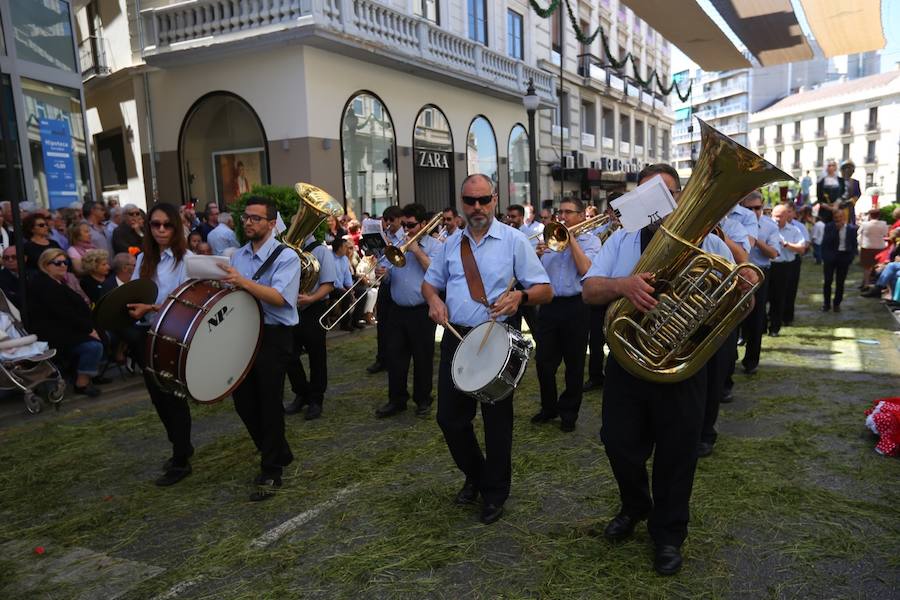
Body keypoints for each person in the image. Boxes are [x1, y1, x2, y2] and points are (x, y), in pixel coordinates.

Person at [581, 163, 749, 576]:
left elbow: (739, 307)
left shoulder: (712, 243)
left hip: (682, 367)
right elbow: (589, 289)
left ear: (682, 197)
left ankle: (669, 535)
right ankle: (635, 505)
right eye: (645, 195)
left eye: (665, 194)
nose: (654, 204)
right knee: (617, 442)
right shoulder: (621, 240)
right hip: (627, 362)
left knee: (677, 453)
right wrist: (624, 286)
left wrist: (740, 293)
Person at [422, 173, 552, 525]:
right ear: (461, 202)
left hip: (498, 338)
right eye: (470, 201)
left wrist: (520, 296)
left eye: (483, 200)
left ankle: (495, 492)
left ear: (495, 199)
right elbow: (429, 284)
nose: (477, 208)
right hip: (457, 337)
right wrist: (434, 301)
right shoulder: (450, 243)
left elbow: (545, 289)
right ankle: (477, 476)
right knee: (449, 418)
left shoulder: (514, 240)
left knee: (497, 422)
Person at [219, 195, 302, 501]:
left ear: (271, 223)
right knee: (243, 401)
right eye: (245, 218)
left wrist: (240, 281)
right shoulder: (238, 254)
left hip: (274, 334)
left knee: (268, 401)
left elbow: (280, 297)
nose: (249, 223)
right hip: (243, 331)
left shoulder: (286, 256)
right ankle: (279, 451)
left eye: (255, 218)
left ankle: (271, 470)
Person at [125, 203, 195, 487]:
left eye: (167, 225)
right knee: (158, 398)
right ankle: (181, 447)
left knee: (173, 398)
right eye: (156, 225)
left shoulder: (186, 259)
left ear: (176, 227)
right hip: (147, 334)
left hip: (171, 336)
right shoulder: (144, 259)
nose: (161, 230)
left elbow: (188, 302)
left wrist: (149, 307)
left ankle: (181, 459)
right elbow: (133, 289)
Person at [532, 197, 600, 432]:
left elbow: (587, 271)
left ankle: (569, 413)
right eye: (560, 212)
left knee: (574, 363)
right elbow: (536, 276)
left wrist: (571, 241)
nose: (562, 216)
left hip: (576, 306)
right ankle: (549, 407)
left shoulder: (592, 242)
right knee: (543, 361)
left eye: (568, 212)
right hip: (550, 305)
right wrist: (538, 255)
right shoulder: (549, 238)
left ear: (581, 216)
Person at [376, 203, 441, 418]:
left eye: (411, 225)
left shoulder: (434, 246)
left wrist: (416, 250)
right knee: (395, 357)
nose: (406, 229)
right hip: (397, 310)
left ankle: (423, 400)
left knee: (423, 358)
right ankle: (397, 400)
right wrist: (382, 272)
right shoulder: (396, 242)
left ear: (423, 224)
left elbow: (436, 274)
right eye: (404, 224)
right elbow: (389, 276)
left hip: (421, 311)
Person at [27, 248, 104, 397]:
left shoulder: (56, 282)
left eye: (66, 262)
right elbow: (64, 314)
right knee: (93, 346)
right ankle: (81, 383)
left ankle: (90, 375)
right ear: (45, 265)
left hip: (67, 328)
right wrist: (89, 329)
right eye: (57, 262)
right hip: (53, 333)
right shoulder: (44, 285)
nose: (63, 265)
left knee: (105, 335)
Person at [284, 225, 338, 420]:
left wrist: (311, 298)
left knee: (317, 355)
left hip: (313, 308)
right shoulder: (287, 249)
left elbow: (329, 284)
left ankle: (316, 399)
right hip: (290, 308)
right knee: (288, 354)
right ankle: (301, 392)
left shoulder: (321, 250)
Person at [739, 192, 780, 376]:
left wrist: (756, 241)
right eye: (749, 208)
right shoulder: (736, 223)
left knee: (757, 317)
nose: (754, 212)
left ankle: (751, 361)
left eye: (758, 208)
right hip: (738, 272)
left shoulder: (770, 225)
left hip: (760, 272)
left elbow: (774, 253)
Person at [367, 206, 404, 374]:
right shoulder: (385, 237)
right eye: (386, 220)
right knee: (382, 325)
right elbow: (380, 259)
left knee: (395, 326)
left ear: (400, 219)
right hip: (385, 284)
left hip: (399, 284)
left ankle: (395, 358)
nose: (388, 223)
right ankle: (381, 359)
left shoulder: (404, 238)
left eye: (392, 220)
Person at [768, 204, 806, 336]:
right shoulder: (767, 228)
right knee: (764, 297)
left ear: (787, 216)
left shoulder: (794, 230)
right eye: (775, 216)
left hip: (784, 266)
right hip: (768, 265)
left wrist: (786, 244)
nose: (777, 219)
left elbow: (802, 249)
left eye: (780, 216)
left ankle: (774, 327)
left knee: (779, 298)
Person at [820, 208, 857, 312]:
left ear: (844, 217)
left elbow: (854, 244)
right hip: (830, 257)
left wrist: (851, 257)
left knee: (840, 282)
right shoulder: (829, 227)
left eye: (840, 217)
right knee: (827, 281)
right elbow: (826, 242)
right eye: (836, 218)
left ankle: (837, 303)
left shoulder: (851, 228)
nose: (838, 219)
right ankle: (826, 304)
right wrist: (836, 230)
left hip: (844, 257)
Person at [782, 205, 809, 326]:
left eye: (789, 211)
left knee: (791, 288)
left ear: (794, 212)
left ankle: (788, 316)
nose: (787, 214)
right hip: (778, 261)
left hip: (793, 260)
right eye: (784, 212)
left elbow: (805, 245)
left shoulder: (799, 227)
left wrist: (789, 245)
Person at [858, 209, 889, 288]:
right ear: (879, 215)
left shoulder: (864, 224)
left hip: (867, 247)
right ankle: (879, 284)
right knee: (879, 266)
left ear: (870, 215)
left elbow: (858, 232)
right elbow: (885, 234)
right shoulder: (883, 224)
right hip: (880, 247)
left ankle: (866, 283)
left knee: (866, 267)